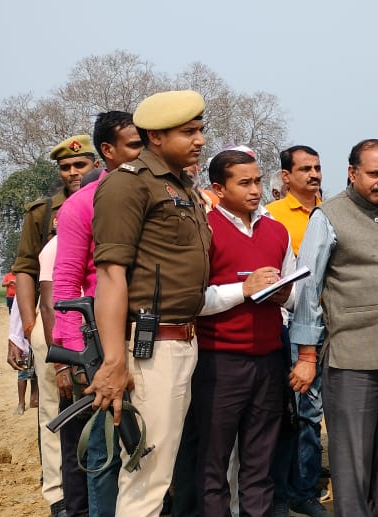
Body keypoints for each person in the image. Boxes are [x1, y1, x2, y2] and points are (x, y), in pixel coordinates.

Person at [89, 90, 212, 516]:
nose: (199, 140)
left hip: (182, 341)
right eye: (188, 131)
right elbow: (110, 276)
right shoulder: (128, 183)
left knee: (159, 471)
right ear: (156, 136)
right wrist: (113, 360)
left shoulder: (181, 186)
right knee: (147, 477)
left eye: (200, 130)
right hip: (150, 347)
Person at [291, 139, 378, 517]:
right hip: (352, 359)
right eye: (374, 173)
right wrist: (307, 355)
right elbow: (308, 287)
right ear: (352, 173)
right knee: (351, 463)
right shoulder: (328, 216)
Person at [191, 148, 296, 516]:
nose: (255, 190)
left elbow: (295, 294)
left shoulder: (276, 230)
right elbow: (192, 300)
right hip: (219, 361)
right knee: (213, 461)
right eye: (245, 183)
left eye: (258, 181)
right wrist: (244, 290)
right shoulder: (203, 230)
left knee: (259, 461)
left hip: (268, 359)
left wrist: (285, 295)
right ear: (218, 189)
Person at [51, 111, 142, 516]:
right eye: (135, 145)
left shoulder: (154, 195)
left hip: (152, 338)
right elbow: (66, 285)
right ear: (108, 151)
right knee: (104, 452)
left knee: (148, 448)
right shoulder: (81, 205)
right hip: (100, 344)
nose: (143, 152)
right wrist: (78, 355)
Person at [12, 133, 91, 517]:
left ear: (96, 164)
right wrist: (29, 327)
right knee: (54, 411)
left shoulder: (108, 200)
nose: (73, 172)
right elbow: (25, 270)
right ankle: (58, 493)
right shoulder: (42, 214)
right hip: (52, 322)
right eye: (66, 167)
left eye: (80, 164)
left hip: (96, 322)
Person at [265, 144, 332, 517]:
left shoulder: (333, 213)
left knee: (313, 412)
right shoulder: (271, 216)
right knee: (290, 410)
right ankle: (279, 490)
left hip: (329, 324)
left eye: (317, 167)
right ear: (286, 176)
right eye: (305, 169)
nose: (314, 174)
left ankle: (305, 489)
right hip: (288, 324)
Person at [6, 301, 37, 415]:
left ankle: (34, 398)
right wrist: (16, 341)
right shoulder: (24, 306)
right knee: (23, 373)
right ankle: (21, 403)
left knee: (36, 372)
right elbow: (17, 320)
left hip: (36, 340)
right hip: (24, 342)